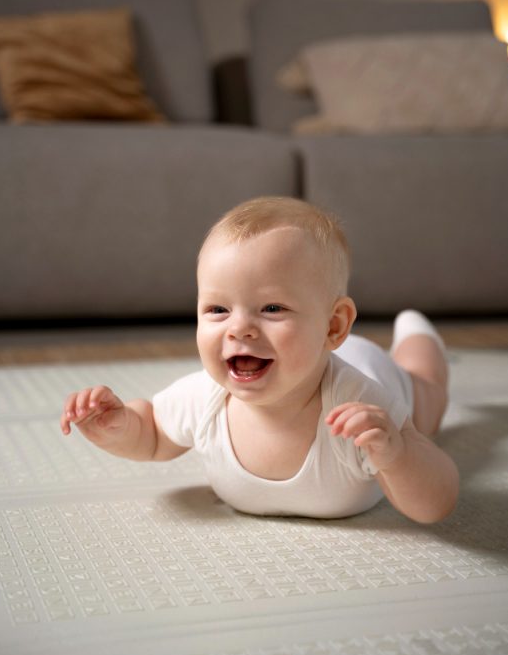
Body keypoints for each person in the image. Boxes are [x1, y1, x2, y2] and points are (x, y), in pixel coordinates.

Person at [60, 196, 459, 523]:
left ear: (333, 326)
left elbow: (435, 504)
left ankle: (418, 334)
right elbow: (153, 434)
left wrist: (398, 456)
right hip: (323, 355)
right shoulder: (205, 396)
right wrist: (117, 425)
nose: (239, 329)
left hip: (372, 365)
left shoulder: (361, 404)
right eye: (218, 309)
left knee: (425, 394)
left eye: (271, 308)